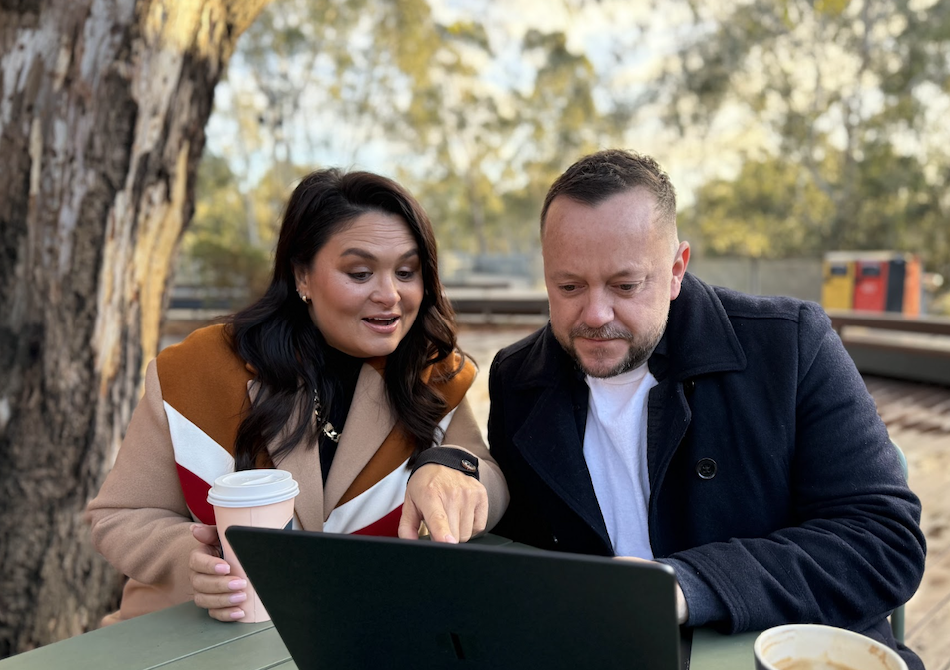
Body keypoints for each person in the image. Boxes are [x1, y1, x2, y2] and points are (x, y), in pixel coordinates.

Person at [488, 149, 925, 668]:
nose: (595, 314)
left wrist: (685, 584)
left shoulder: (792, 345)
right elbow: (518, 559)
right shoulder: (516, 378)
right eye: (568, 287)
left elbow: (884, 541)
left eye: (626, 286)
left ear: (676, 269)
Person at [87, 168, 508, 624]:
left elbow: (489, 478)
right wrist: (194, 562)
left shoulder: (432, 374)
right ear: (302, 275)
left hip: (354, 634)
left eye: (406, 272)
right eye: (360, 272)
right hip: (191, 636)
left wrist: (450, 468)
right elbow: (120, 515)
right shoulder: (197, 369)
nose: (389, 295)